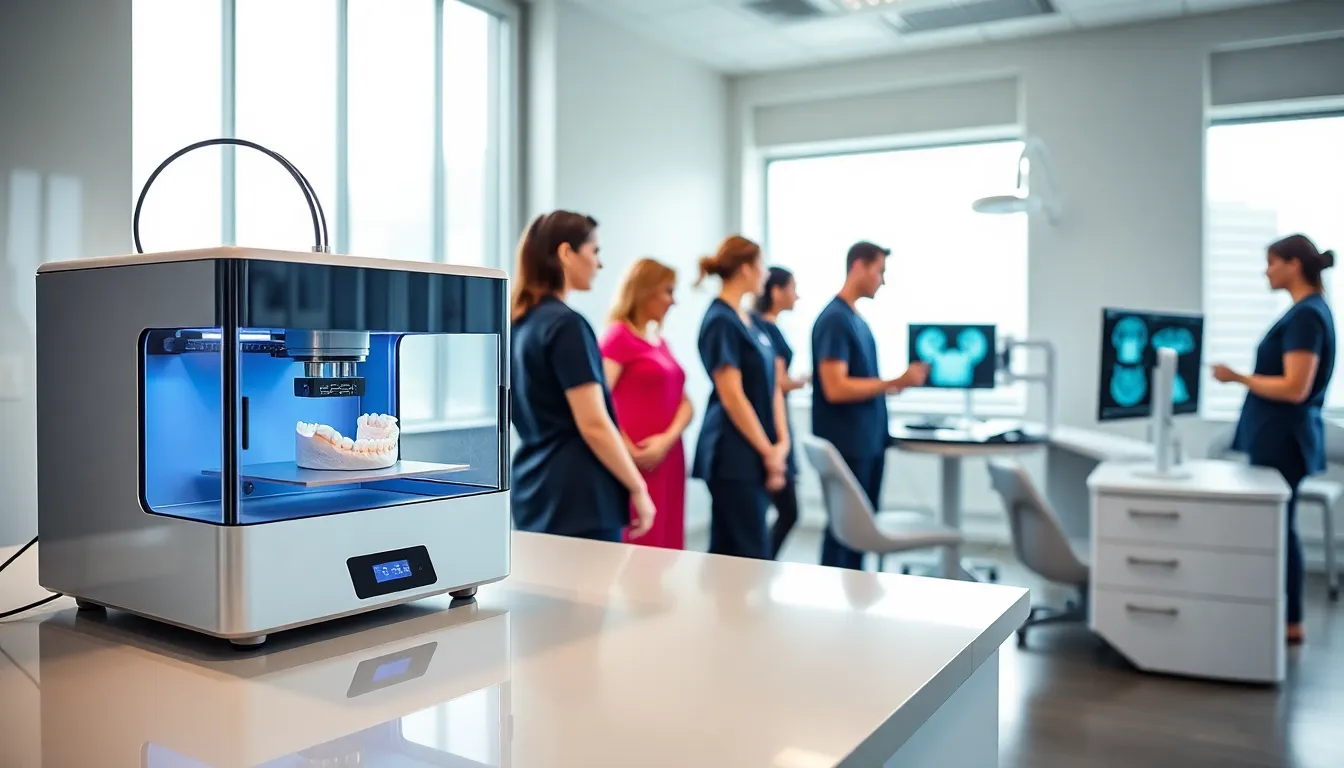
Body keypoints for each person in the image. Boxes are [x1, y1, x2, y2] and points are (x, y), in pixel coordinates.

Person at [1213, 234, 1337, 645]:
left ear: (1293, 264)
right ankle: (1284, 616)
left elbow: (1295, 387)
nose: (1266, 271)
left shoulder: (1305, 316)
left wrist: (1237, 378)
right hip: (1283, 437)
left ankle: (1290, 620)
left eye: (1271, 262)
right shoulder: (1310, 312)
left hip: (1284, 440)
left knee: (1279, 529)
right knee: (1277, 528)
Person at [509, 211, 656, 543]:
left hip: (534, 490)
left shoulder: (520, 325)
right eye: (595, 251)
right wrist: (637, 486)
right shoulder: (567, 326)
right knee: (591, 595)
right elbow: (593, 423)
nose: (600, 264)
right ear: (566, 253)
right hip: (579, 497)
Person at [811, 241, 928, 570]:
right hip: (849, 444)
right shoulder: (835, 320)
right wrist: (895, 382)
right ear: (858, 266)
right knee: (845, 532)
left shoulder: (855, 320)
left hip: (867, 442)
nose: (883, 280)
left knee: (860, 532)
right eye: (880, 271)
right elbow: (835, 387)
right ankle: (836, 603)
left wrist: (891, 386)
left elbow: (859, 383)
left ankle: (854, 602)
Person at [692, 235, 789, 560]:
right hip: (732, 454)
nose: (765, 274)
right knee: (746, 553)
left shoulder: (750, 321)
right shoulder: (721, 321)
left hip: (755, 451)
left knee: (733, 552)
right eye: (761, 265)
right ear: (746, 268)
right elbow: (732, 397)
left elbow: (773, 384)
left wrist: (781, 445)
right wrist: (768, 451)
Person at [600, 257, 694, 550]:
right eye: (668, 291)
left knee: (668, 541)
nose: (673, 301)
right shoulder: (618, 337)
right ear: (645, 291)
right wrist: (627, 448)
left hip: (668, 458)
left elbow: (686, 402)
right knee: (641, 545)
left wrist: (666, 440)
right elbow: (599, 401)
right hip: (636, 461)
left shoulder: (659, 341)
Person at [753, 266, 808, 559]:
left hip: (778, 425)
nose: (797, 296)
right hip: (773, 428)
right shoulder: (765, 331)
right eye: (792, 288)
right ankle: (764, 562)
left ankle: (763, 562)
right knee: (788, 510)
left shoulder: (764, 329)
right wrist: (800, 381)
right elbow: (775, 382)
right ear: (776, 291)